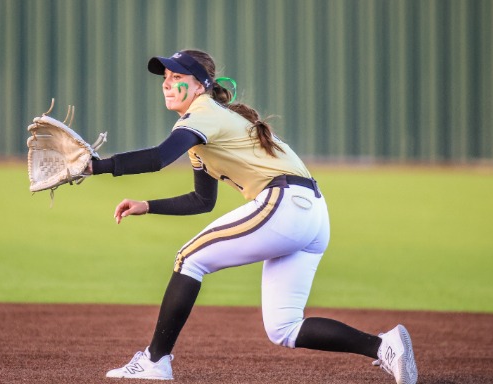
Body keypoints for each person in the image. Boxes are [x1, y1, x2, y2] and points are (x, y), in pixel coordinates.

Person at [89, 49, 418, 384]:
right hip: (311, 213)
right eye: (165, 78)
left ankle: (155, 360)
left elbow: (159, 157)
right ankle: (383, 346)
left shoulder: (203, 112)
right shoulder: (206, 126)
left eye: (177, 77)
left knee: (189, 259)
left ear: (200, 85)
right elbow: (203, 200)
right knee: (284, 327)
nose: (167, 84)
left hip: (284, 205)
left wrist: (95, 166)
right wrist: (148, 205)